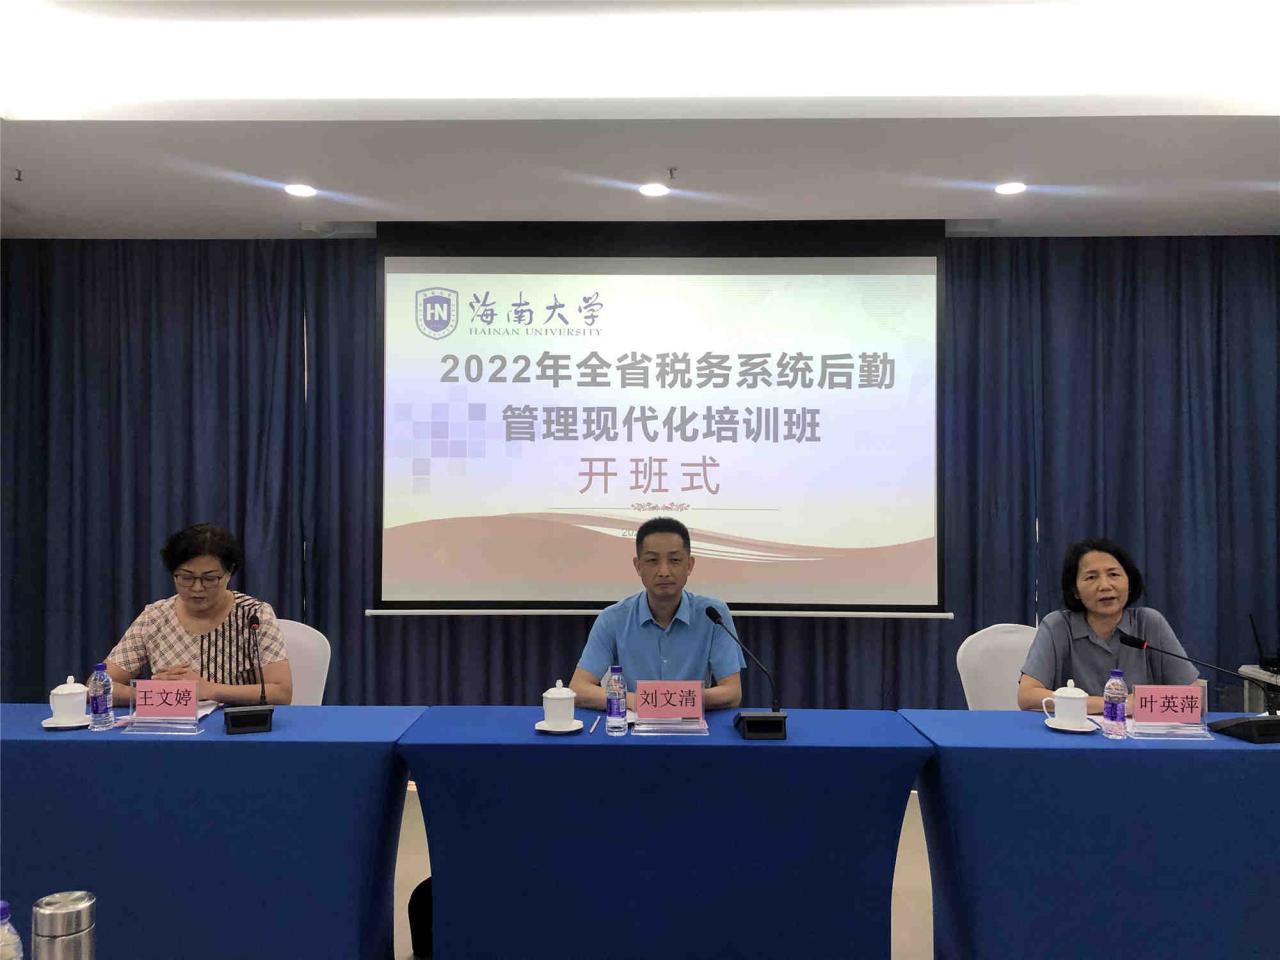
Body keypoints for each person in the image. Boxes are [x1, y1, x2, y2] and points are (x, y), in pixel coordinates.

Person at [101, 523, 293, 706]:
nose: (197, 588)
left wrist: (209, 690)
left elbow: (281, 692)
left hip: (235, 726)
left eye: (209, 578)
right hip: (174, 726)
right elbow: (100, 685)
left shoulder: (254, 615)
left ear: (229, 573)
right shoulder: (155, 617)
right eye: (186, 577)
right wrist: (158, 693)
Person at [569, 517, 745, 711]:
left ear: (689, 565)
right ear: (638, 566)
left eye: (674, 560)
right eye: (653, 560)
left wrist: (671, 701)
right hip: (635, 723)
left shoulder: (713, 615)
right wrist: (637, 701)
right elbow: (578, 689)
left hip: (695, 724)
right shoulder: (613, 618)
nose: (664, 571)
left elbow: (732, 693)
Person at [1017, 537, 1197, 714]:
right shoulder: (1057, 626)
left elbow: (1194, 698)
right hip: (1074, 731)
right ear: (1075, 591)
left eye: (1113, 574)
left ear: (1129, 582)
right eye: (1091, 577)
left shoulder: (1149, 623)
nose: (1104, 586)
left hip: (1139, 733)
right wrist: (1115, 705)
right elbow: (1027, 696)